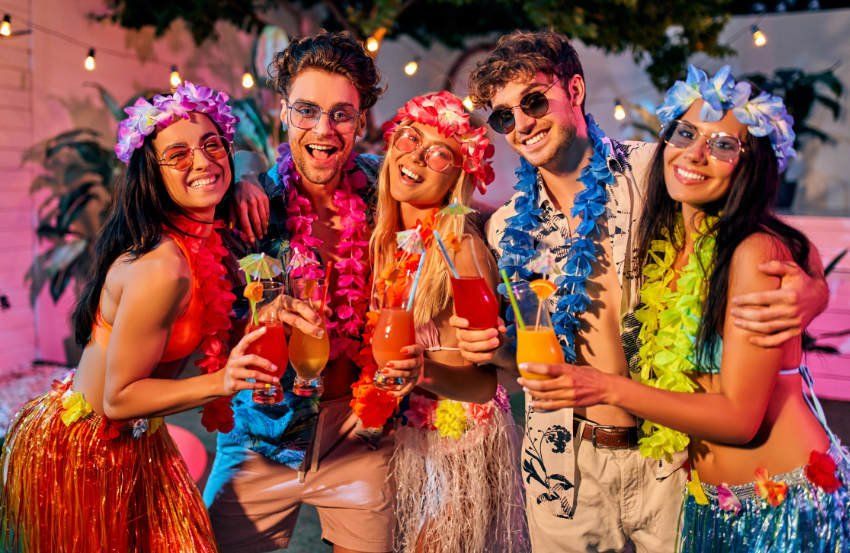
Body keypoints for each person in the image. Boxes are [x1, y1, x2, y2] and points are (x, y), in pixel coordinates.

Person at [453, 31, 830, 552]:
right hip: (564, 463)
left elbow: (759, 229)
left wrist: (815, 290)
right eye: (504, 117)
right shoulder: (506, 228)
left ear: (575, 89)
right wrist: (493, 347)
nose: (522, 124)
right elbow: (529, 347)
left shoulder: (660, 169)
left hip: (671, 453)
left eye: (534, 101)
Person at [0, 82, 278, 552]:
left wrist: (247, 178)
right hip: (87, 451)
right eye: (178, 155)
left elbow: (249, 156)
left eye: (212, 145)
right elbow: (118, 398)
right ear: (152, 173)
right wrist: (222, 382)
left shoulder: (201, 236)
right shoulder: (162, 267)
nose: (202, 162)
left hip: (140, 438)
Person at [203, 31, 422, 553]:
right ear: (283, 111)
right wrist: (242, 174)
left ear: (361, 121)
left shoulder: (386, 192)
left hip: (360, 433)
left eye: (341, 114)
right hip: (258, 435)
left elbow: (448, 188)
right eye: (306, 110)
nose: (323, 130)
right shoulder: (252, 206)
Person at [372, 91, 526, 552]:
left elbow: (483, 386)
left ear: (458, 175)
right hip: (412, 442)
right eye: (409, 138)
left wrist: (420, 371)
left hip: (463, 447)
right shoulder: (388, 242)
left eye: (439, 153)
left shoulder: (459, 250)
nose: (416, 156)